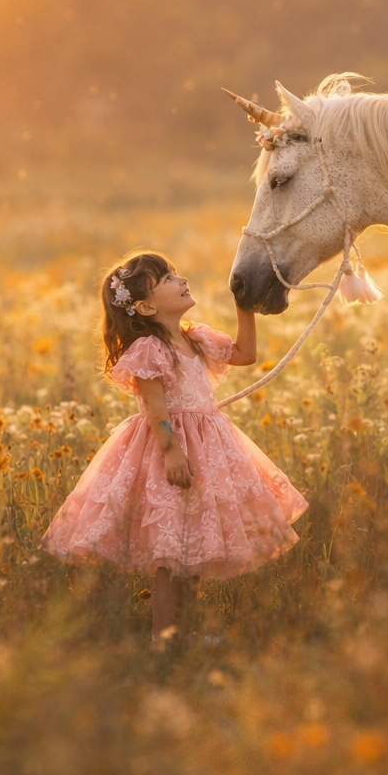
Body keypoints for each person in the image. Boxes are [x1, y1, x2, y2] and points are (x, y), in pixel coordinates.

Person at [41, 251, 307, 646]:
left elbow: (245, 355)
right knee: (169, 554)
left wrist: (244, 307)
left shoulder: (195, 338)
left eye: (174, 273)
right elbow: (155, 407)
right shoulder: (151, 349)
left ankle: (187, 632)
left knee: (194, 543)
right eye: (166, 278)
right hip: (169, 450)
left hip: (210, 447)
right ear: (147, 306)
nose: (180, 280)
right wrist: (171, 451)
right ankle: (162, 637)